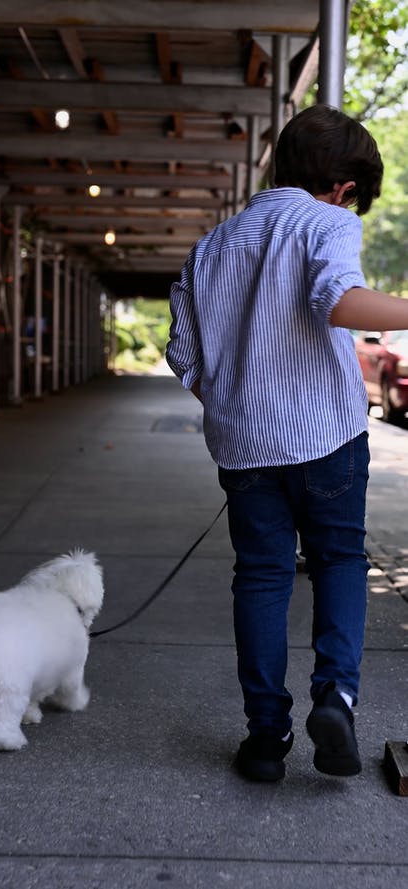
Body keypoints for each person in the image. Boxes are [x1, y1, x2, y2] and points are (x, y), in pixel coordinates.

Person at [166, 104, 408, 783]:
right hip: (324, 437)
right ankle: (335, 696)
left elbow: (184, 355)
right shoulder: (325, 220)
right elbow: (339, 298)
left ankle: (265, 738)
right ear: (343, 188)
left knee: (262, 576)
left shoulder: (210, 246)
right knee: (337, 561)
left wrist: (236, 408)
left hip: (245, 452)